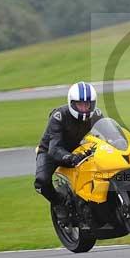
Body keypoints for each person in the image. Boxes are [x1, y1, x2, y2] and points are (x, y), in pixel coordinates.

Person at [34, 81, 102, 218]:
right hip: (50, 151)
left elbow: (106, 133)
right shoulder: (59, 116)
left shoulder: (96, 115)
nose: (84, 108)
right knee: (41, 182)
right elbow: (54, 149)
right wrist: (70, 157)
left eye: (87, 105)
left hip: (78, 148)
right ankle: (59, 202)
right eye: (80, 104)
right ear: (72, 103)